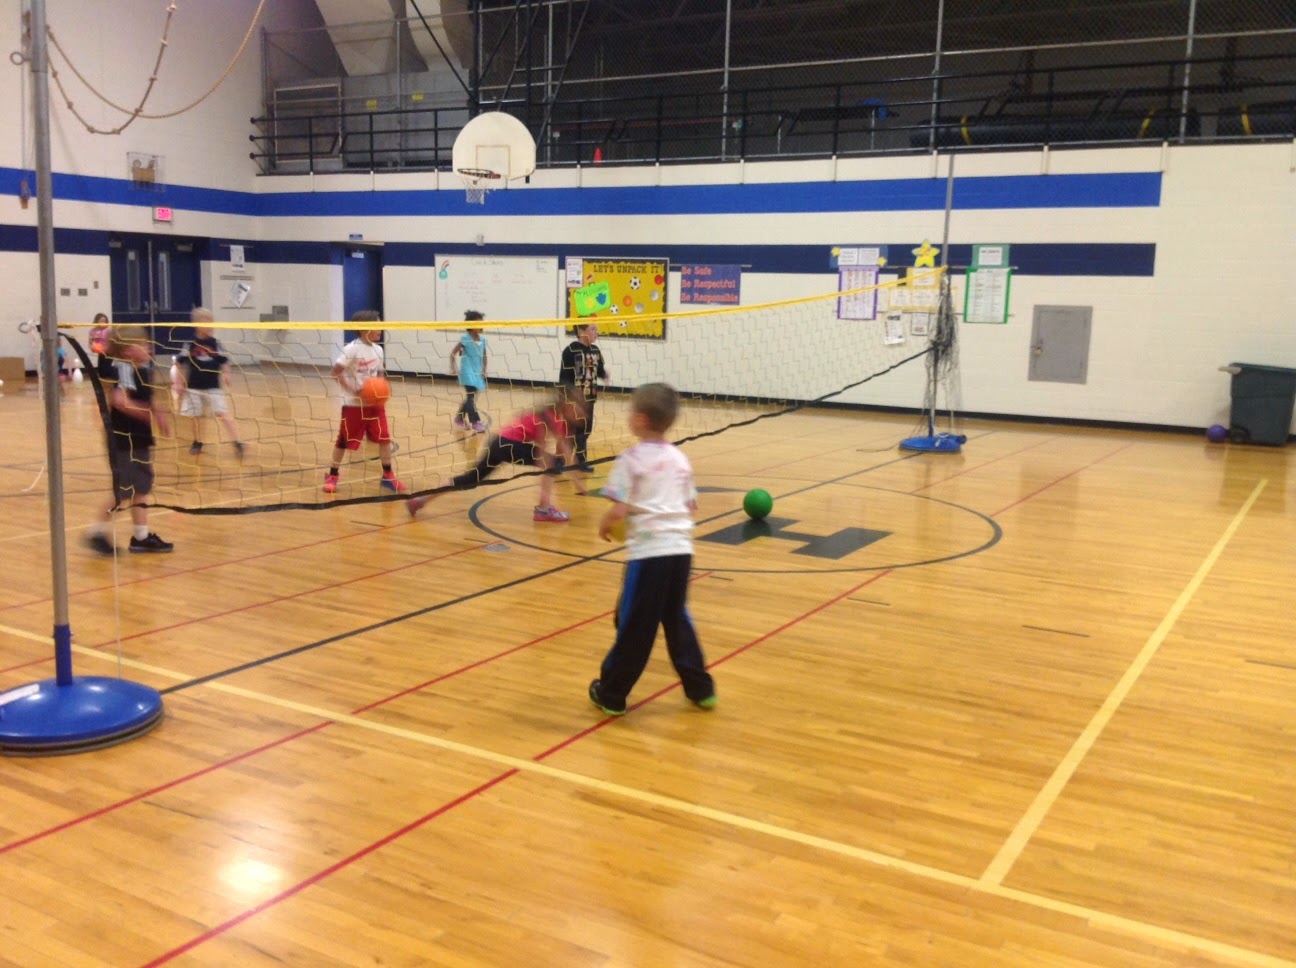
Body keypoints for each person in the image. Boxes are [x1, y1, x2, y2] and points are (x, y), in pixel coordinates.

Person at [588, 382, 715, 716]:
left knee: (635, 625)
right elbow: (691, 506)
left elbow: (618, 510)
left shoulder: (630, 459)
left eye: (631, 411)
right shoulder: (680, 459)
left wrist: (606, 522)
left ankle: (612, 693)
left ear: (641, 420)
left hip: (649, 557)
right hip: (681, 551)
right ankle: (700, 688)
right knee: (676, 618)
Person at [408, 389, 587, 522]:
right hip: (507, 445)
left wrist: (578, 482)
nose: (582, 413)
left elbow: (567, 450)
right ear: (567, 405)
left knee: (470, 479)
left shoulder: (558, 420)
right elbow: (545, 451)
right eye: (579, 408)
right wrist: (562, 475)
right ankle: (544, 509)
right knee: (553, 463)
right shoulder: (550, 417)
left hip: (497, 443)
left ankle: (420, 499)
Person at [83, 325, 174, 555]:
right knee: (123, 491)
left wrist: (159, 413)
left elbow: (147, 397)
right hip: (123, 439)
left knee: (141, 486)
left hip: (140, 437)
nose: (148, 348)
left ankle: (140, 537)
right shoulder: (121, 369)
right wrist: (147, 412)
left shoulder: (143, 368)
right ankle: (96, 533)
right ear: (127, 351)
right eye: (142, 344)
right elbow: (119, 401)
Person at [323, 310, 406, 494]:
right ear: (363, 329)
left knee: (384, 438)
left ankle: (388, 476)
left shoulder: (379, 350)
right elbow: (335, 372)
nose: (380, 329)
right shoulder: (351, 349)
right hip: (354, 405)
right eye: (376, 325)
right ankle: (333, 474)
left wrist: (382, 388)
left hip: (375, 405)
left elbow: (380, 374)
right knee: (344, 441)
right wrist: (354, 390)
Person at [177, 308, 245, 458]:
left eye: (211, 323)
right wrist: (179, 382)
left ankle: (237, 442)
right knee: (195, 417)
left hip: (213, 387)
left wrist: (227, 374)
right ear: (196, 325)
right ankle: (197, 442)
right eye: (206, 323)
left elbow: (224, 361)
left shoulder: (215, 344)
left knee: (223, 413)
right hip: (193, 387)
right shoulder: (189, 345)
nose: (210, 326)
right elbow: (180, 363)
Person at [558, 322, 608, 472]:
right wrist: (565, 397)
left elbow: (599, 370)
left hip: (590, 399)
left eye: (596, 329)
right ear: (581, 331)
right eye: (593, 329)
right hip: (574, 400)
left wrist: (604, 375)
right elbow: (564, 377)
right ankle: (559, 462)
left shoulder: (595, 350)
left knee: (585, 431)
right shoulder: (570, 351)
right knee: (569, 431)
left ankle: (580, 461)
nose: (596, 332)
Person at [450, 310, 488, 433]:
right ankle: (475, 422)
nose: (480, 325)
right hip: (467, 372)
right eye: (478, 323)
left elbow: (484, 356)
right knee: (471, 397)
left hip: (477, 373)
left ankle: (459, 418)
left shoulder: (482, 340)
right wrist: (453, 368)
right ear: (471, 324)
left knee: (471, 398)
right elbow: (452, 353)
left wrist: (484, 370)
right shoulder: (465, 339)